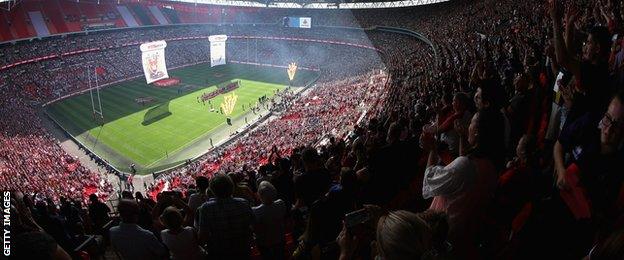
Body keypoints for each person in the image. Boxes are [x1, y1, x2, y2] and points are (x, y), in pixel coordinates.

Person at [422, 109, 504, 259]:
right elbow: (463, 170)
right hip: (465, 234)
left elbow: (429, 182)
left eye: (472, 123)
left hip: (442, 232)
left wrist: (432, 150)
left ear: (479, 132)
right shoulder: (492, 165)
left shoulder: (466, 166)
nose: (468, 126)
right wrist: (461, 136)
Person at [197, 174, 254, 259]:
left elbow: (202, 236)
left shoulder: (205, 208)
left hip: (219, 251)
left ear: (212, 191)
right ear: (231, 187)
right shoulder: (243, 203)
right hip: (242, 248)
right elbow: (253, 225)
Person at [253, 181, 288, 260]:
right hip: (280, 237)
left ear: (259, 195)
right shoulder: (281, 203)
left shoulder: (256, 211)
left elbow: (255, 228)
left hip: (264, 242)